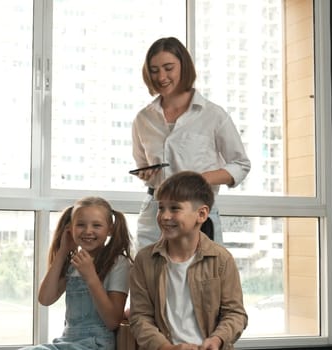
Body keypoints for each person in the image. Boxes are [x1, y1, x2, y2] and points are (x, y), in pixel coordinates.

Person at [131, 36, 251, 249]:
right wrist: (146, 173)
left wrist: (200, 179)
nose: (161, 76)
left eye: (169, 68)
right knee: (148, 279)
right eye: (154, 70)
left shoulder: (213, 115)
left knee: (201, 279)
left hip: (197, 212)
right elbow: (143, 165)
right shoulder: (143, 119)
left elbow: (240, 165)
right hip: (155, 212)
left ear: (184, 68)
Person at [129, 171, 247, 350]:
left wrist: (217, 339)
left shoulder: (222, 259)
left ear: (201, 214)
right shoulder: (144, 260)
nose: (165, 216)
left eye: (175, 208)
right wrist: (167, 348)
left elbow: (235, 313)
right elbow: (140, 317)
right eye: (161, 208)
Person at [21, 197, 133, 350]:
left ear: (110, 229)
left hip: (97, 344)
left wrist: (91, 277)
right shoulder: (73, 263)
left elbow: (112, 321)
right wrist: (62, 252)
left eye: (97, 225)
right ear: (70, 228)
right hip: (68, 341)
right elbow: (45, 299)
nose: (88, 231)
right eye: (80, 225)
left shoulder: (119, 263)